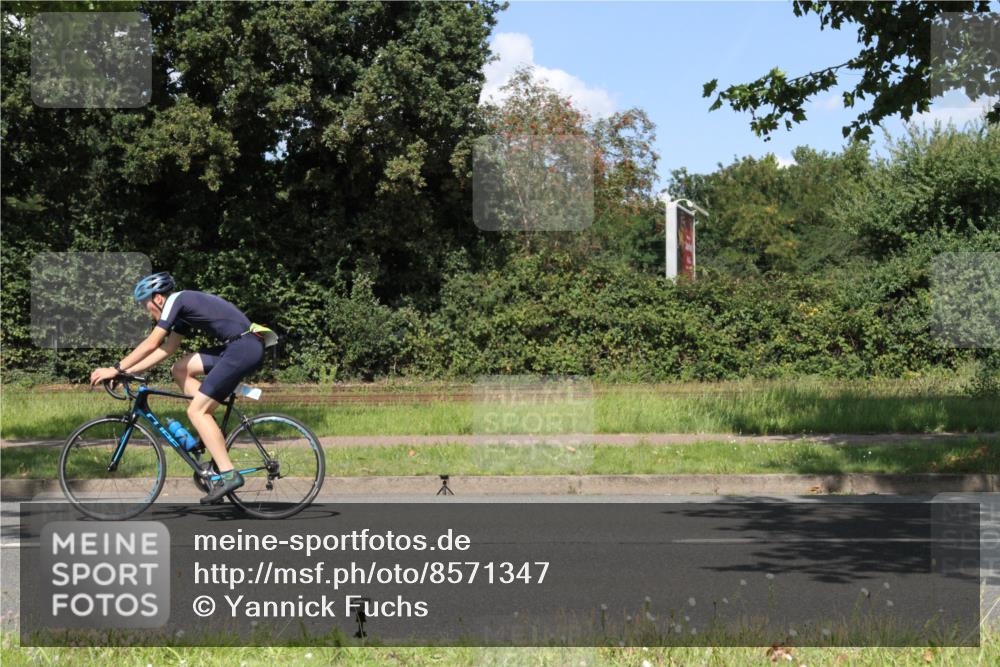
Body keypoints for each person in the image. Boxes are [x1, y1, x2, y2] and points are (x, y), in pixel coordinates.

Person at [90, 271, 275, 504]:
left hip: (243, 348)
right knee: (179, 369)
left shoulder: (177, 300)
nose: (146, 311)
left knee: (196, 411)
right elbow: (167, 349)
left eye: (145, 304)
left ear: (158, 298)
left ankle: (229, 475)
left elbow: (152, 342)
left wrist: (115, 368)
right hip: (239, 347)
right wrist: (129, 372)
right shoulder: (181, 313)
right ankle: (209, 428)